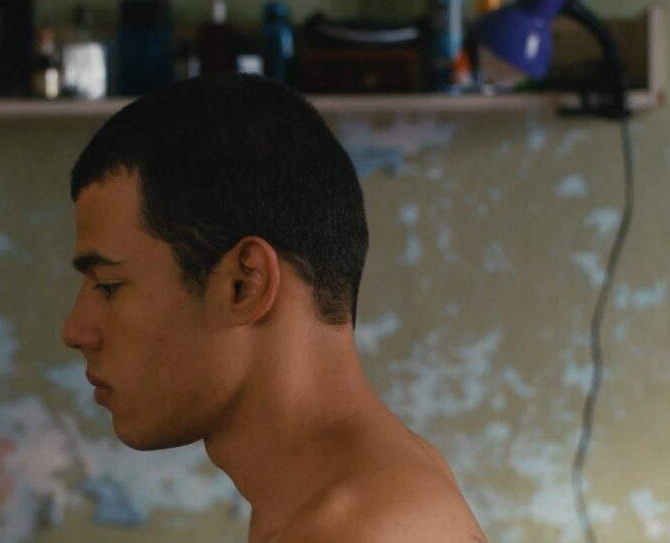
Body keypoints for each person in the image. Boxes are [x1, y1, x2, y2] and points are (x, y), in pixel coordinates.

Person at [61, 73, 486, 542]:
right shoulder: (362, 484)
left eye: (109, 286)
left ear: (244, 284)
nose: (76, 331)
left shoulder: (349, 531)